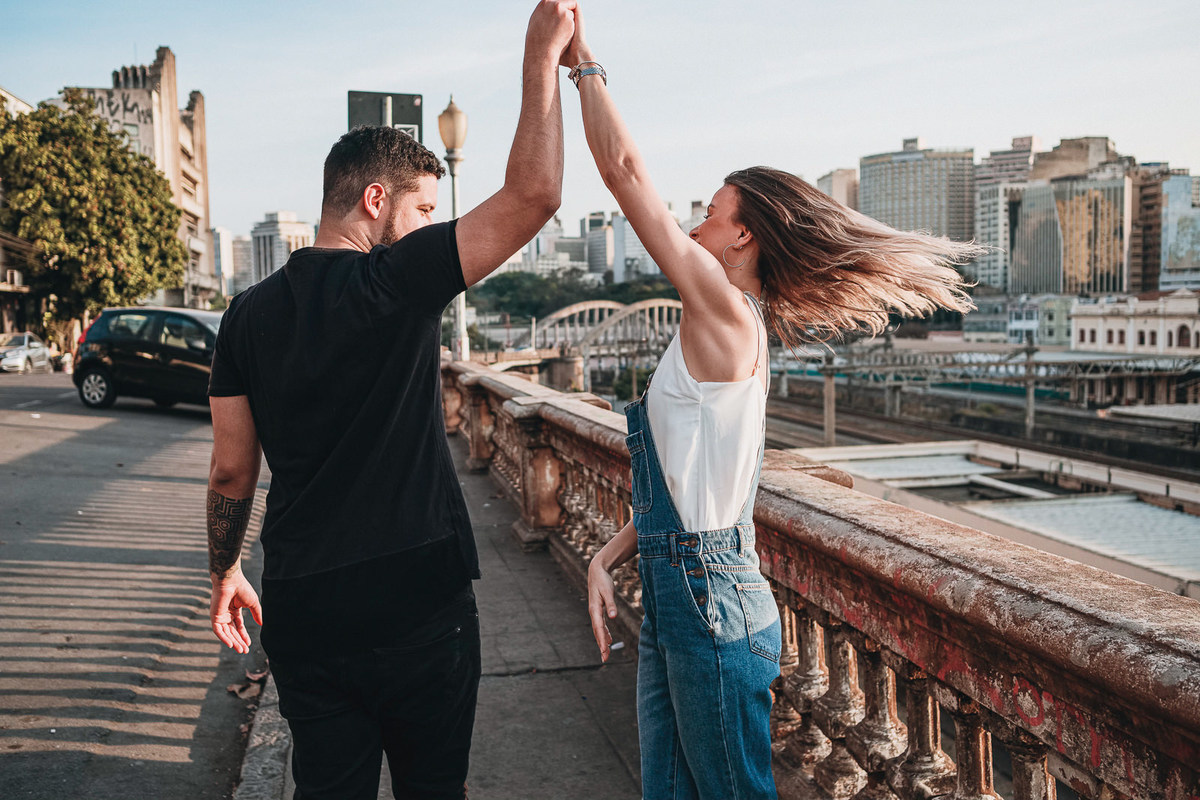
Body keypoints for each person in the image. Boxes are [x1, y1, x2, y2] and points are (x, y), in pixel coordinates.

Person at [568, 12, 981, 800]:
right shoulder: (723, 322)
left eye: (711, 215)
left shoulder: (723, 315)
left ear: (744, 235)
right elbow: (692, 490)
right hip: (683, 589)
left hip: (708, 600)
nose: (694, 224)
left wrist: (582, 62)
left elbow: (624, 173)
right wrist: (605, 553)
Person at [203, 3, 577, 798]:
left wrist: (226, 570)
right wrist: (542, 57)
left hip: (305, 600)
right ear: (375, 200)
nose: (428, 231)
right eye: (423, 212)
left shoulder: (245, 316)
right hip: (416, 601)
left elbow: (233, 473)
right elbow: (536, 194)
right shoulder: (397, 282)